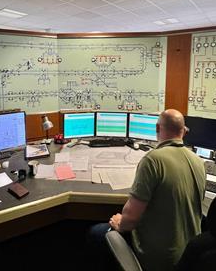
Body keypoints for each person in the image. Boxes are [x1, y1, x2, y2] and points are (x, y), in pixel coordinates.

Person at [88, 109, 206, 270]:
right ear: (184, 132)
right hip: (189, 255)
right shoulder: (198, 161)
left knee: (96, 233)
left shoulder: (152, 160)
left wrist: (119, 223)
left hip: (160, 258)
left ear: (157, 128)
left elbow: (130, 221)